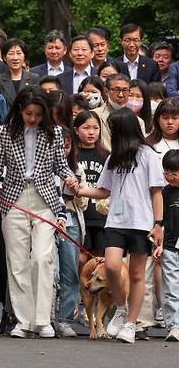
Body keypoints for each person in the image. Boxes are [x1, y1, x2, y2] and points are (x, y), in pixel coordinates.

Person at [0, 86, 76, 339]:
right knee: (16, 261)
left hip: (45, 199)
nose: (33, 119)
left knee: (43, 257)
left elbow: (62, 165)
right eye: (28, 113)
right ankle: (23, 321)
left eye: (37, 114)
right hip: (13, 198)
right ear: (19, 111)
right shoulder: (5, 132)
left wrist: (70, 179)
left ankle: (42, 319)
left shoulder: (55, 133)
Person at [71, 108, 164, 344]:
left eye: (112, 128)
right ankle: (121, 308)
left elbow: (156, 192)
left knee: (136, 274)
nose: (108, 132)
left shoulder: (148, 155)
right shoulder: (114, 158)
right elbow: (104, 191)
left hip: (141, 223)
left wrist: (158, 224)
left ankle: (131, 324)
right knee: (111, 266)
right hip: (115, 222)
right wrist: (79, 190)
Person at [55, 128, 88, 338]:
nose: (63, 151)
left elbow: (84, 204)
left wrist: (76, 190)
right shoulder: (43, 168)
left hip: (72, 219)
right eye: (59, 147)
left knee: (70, 273)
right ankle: (47, 317)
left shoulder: (77, 168)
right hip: (48, 219)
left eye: (66, 147)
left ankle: (65, 319)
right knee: (51, 272)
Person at [73, 111, 109, 259]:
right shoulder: (72, 154)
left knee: (100, 257)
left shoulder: (106, 155)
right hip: (80, 213)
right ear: (76, 130)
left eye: (95, 128)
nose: (91, 132)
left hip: (101, 214)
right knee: (81, 257)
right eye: (86, 128)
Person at [94, 73, 146, 151]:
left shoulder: (138, 121)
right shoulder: (94, 115)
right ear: (106, 91)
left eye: (125, 90)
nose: (121, 95)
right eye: (116, 90)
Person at [160, 149, 179, 342]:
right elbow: (161, 220)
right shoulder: (164, 192)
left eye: (174, 173)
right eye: (166, 172)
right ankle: (174, 325)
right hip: (170, 246)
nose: (170, 177)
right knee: (171, 288)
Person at [0, 38, 41, 106]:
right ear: (4, 57)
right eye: (11, 54)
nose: (15, 58)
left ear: (24, 57)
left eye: (19, 53)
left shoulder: (34, 78)